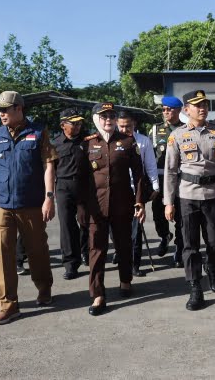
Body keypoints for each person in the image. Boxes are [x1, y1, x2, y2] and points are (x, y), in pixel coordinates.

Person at [0, 91, 57, 325]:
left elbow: (48, 165)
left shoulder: (38, 132)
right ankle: (8, 305)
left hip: (31, 203)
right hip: (2, 203)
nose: (1, 113)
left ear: (19, 109)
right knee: (3, 255)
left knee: (37, 251)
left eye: (5, 109)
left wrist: (49, 197)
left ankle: (44, 288)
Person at [163, 90, 215, 311]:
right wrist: (169, 202)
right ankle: (195, 287)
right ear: (187, 110)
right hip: (187, 195)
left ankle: (212, 268)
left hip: (213, 195)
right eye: (197, 105)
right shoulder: (177, 135)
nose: (203, 108)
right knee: (190, 244)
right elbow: (170, 171)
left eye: (205, 104)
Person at [78, 102, 145, 316]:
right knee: (96, 250)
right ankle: (97, 294)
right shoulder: (87, 144)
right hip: (95, 206)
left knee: (124, 245)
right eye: (104, 116)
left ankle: (125, 280)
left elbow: (139, 174)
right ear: (95, 119)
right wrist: (80, 207)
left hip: (122, 204)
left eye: (112, 116)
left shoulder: (127, 141)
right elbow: (79, 179)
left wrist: (140, 201)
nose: (108, 120)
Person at [117, 110, 159, 278]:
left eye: (128, 126)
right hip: (117, 191)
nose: (124, 129)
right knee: (118, 230)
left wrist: (155, 185)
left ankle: (135, 264)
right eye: (121, 126)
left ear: (134, 124)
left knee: (136, 230)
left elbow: (150, 164)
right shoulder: (112, 141)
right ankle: (121, 256)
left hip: (136, 191)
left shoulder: (143, 141)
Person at [53, 107, 90, 280]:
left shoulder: (88, 140)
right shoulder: (56, 143)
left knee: (85, 223)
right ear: (63, 125)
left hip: (84, 186)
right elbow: (50, 169)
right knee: (67, 226)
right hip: (63, 187)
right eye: (73, 123)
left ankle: (86, 254)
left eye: (79, 123)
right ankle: (70, 264)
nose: (77, 126)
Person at [150, 96, 185, 267]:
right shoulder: (156, 130)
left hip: (181, 179)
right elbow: (149, 156)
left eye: (168, 109)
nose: (165, 112)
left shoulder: (186, 129)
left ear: (178, 110)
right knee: (158, 213)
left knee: (180, 215)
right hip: (161, 178)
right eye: (163, 109)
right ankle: (164, 236)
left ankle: (179, 247)